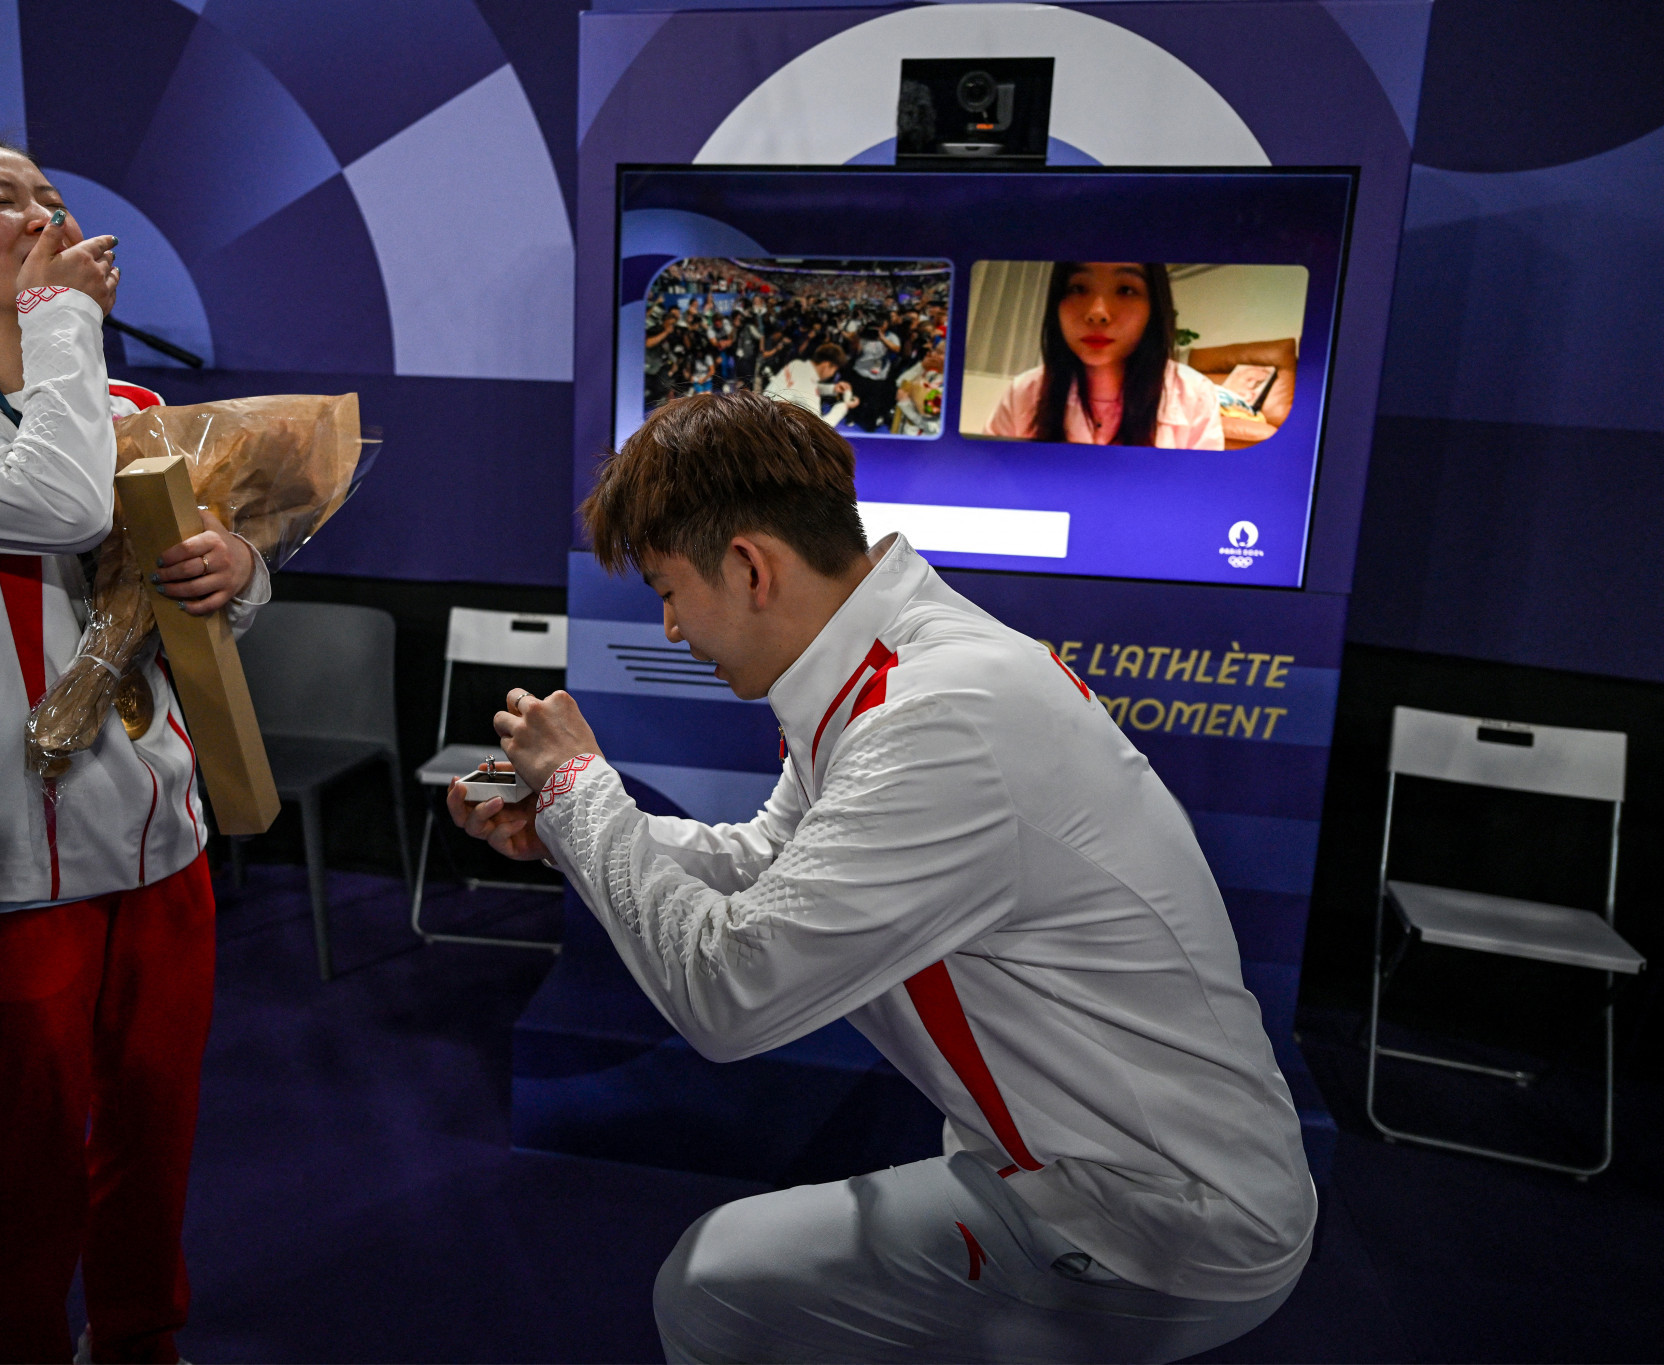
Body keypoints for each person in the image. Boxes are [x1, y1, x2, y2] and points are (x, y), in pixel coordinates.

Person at [450, 391, 1313, 1363]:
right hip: (1075, 1169)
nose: (667, 629)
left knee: (714, 1290)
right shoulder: (887, 668)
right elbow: (766, 869)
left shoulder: (937, 719)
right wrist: (575, 828)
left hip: (1157, 1223)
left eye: (665, 588)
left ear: (747, 567)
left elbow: (731, 993)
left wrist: (575, 789)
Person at [0, 134, 269, 1364]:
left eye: (48, 198)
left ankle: (139, 1341)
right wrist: (64, 317)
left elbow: (197, 605)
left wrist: (241, 571)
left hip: (160, 847)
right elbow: (61, 501)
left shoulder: (132, 413)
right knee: (21, 1169)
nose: (34, 211)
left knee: (154, 1136)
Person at [985, 262, 1223, 449]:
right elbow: (991, 484)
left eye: (1125, 290)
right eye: (1078, 288)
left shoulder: (1195, 396)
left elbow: (1203, 499)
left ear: (1154, 306)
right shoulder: (1024, 392)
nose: (1097, 313)